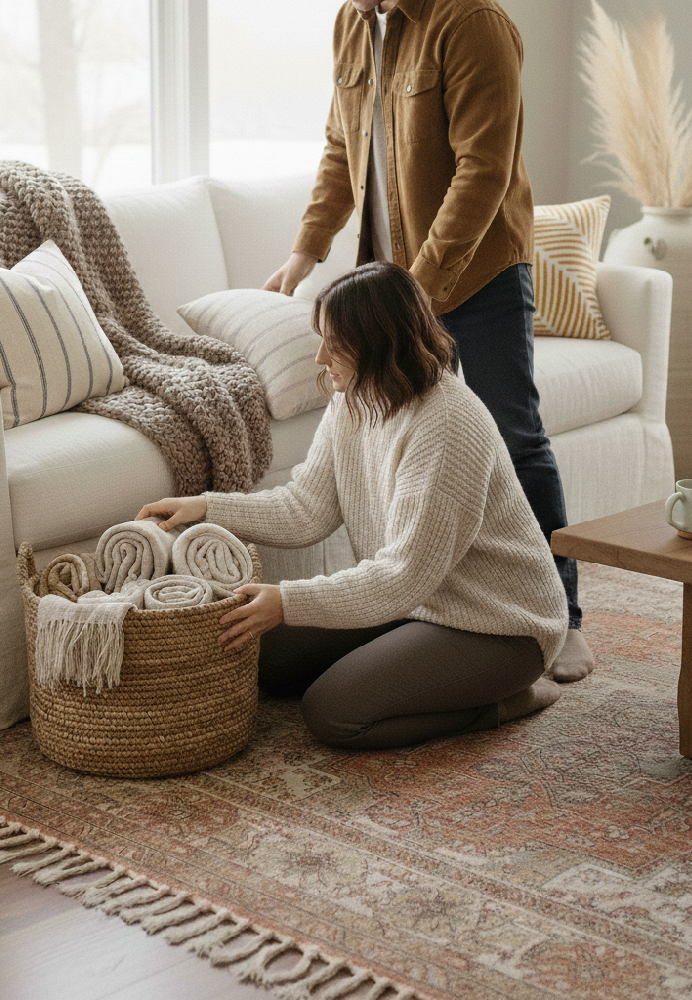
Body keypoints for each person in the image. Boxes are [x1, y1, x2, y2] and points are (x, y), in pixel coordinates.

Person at [262, 0, 593, 682]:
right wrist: (305, 250)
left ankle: (563, 617)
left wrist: (418, 291)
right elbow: (338, 147)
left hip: (479, 273)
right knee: (399, 434)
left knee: (513, 432)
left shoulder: (471, 21)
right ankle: (415, 602)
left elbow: (483, 171)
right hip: (390, 280)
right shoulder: (352, 23)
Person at [137, 262, 567, 751]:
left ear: (380, 341)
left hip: (498, 624)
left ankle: (506, 702)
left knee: (334, 713)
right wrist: (205, 508)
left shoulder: (447, 424)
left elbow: (404, 575)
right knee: (262, 656)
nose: (320, 357)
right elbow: (306, 508)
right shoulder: (356, 396)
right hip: (413, 602)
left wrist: (288, 600)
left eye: (334, 342)